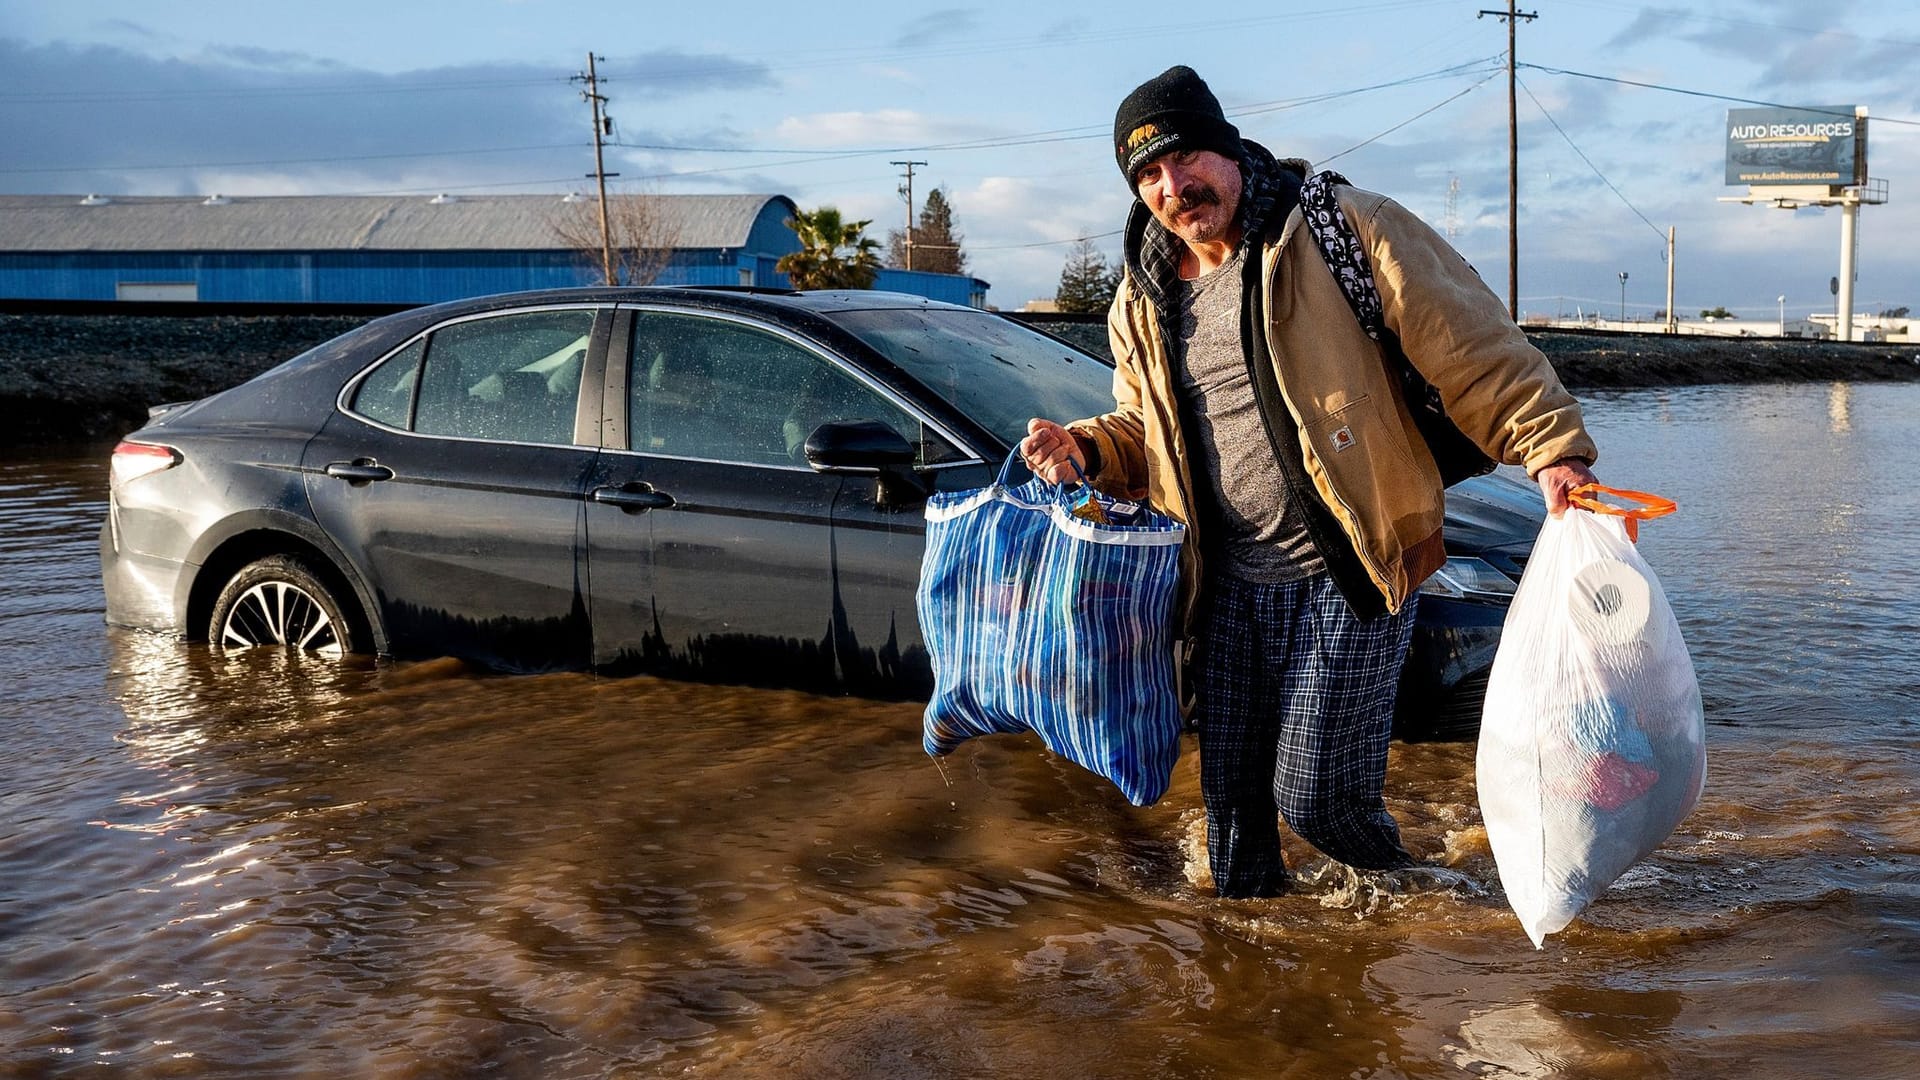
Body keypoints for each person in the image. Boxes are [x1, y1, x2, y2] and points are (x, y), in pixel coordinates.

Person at [1018, 65, 1599, 898]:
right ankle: (1257, 999)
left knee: (1319, 797)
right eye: (1148, 174)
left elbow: (1472, 347)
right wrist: (1083, 449)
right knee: (1234, 840)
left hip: (1353, 567)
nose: (1174, 186)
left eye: (1186, 159)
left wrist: (1553, 449)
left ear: (1226, 149)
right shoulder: (1139, 302)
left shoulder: (1340, 229)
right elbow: (1147, 436)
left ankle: (1426, 900)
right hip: (1220, 589)